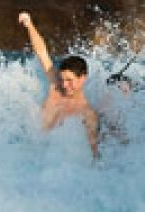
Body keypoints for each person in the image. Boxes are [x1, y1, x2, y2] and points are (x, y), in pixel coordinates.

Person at [18, 12, 99, 159]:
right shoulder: (56, 84)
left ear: (83, 78)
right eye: (62, 79)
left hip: (53, 160)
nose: (64, 84)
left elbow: (93, 150)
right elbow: (41, 52)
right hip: (32, 152)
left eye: (69, 80)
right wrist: (29, 24)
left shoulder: (87, 113)